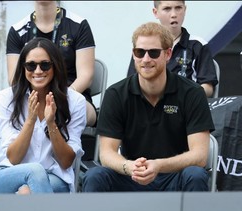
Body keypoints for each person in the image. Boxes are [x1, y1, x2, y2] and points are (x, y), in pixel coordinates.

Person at [82, 22, 214, 192]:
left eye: (153, 52)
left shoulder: (192, 93)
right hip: (132, 176)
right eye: (140, 52)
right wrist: (128, 167)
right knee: (95, 176)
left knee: (195, 175)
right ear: (133, 54)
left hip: (175, 177)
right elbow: (106, 153)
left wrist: (159, 165)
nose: (146, 59)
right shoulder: (115, 94)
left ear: (168, 54)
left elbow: (200, 156)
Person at [0, 37, 86, 194]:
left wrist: (51, 123)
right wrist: (30, 120)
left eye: (45, 65)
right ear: (23, 68)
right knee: (35, 171)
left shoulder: (75, 101)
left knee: (26, 192)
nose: (38, 71)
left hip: (54, 177)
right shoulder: (6, 98)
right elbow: (13, 158)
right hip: (8, 174)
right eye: (31, 65)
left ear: (55, 66)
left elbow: (66, 161)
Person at [6, 1, 97, 126]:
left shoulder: (79, 25)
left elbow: (86, 76)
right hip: (31, 97)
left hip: (71, 95)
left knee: (71, 108)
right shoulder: (17, 30)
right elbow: (14, 79)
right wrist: (35, 100)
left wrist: (62, 98)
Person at [127, 1, 218, 98]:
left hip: (185, 108)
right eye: (167, 9)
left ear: (185, 9)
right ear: (155, 12)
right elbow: (130, 84)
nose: (174, 14)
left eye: (178, 8)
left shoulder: (198, 45)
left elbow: (208, 87)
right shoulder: (143, 45)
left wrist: (185, 98)